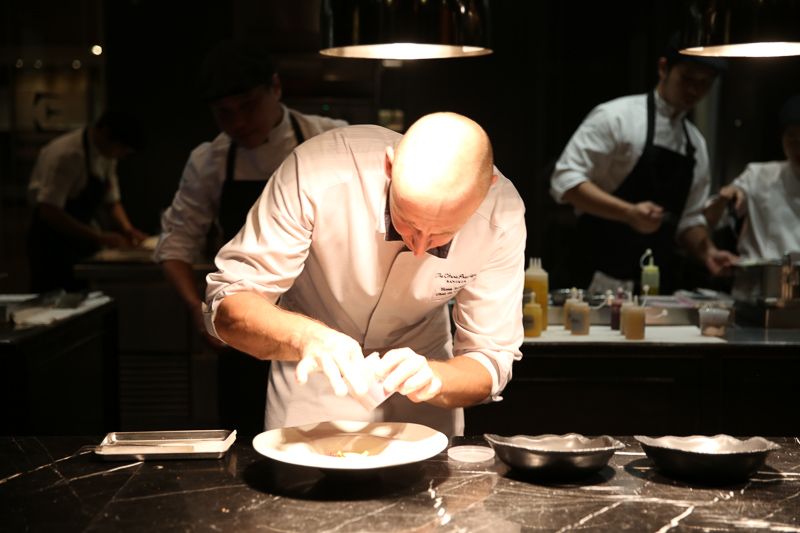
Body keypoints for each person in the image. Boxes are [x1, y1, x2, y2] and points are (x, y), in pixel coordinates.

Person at [203, 112, 527, 437]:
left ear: (487, 189)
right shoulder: (320, 171)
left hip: (424, 358)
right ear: (389, 166)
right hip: (314, 364)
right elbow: (228, 303)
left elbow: (489, 357)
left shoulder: (503, 216)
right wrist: (306, 337)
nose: (419, 248)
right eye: (409, 223)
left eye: (444, 233)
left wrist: (436, 378)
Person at [154, 38, 348, 433]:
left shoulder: (329, 141)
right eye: (223, 113)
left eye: (248, 106)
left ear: (275, 88)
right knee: (245, 439)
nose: (238, 122)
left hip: (323, 323)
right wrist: (198, 309)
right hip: (244, 324)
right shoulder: (209, 160)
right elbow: (175, 243)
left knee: (327, 435)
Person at [549, 32, 739, 294]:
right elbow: (566, 181)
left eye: (706, 83)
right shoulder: (616, 117)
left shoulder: (695, 145)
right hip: (588, 280)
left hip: (651, 290)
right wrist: (628, 213)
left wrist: (708, 252)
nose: (695, 90)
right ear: (663, 68)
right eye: (687, 78)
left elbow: (688, 220)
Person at [27, 110, 147, 293]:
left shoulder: (107, 155)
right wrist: (99, 236)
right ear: (105, 132)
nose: (122, 155)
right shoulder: (67, 154)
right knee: (53, 303)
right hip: (51, 243)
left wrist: (128, 229)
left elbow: (111, 202)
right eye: (121, 148)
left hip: (79, 240)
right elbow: (49, 211)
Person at [703, 94, 800, 260]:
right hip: (757, 282)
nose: (798, 146)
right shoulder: (759, 175)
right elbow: (710, 221)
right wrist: (724, 198)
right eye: (792, 137)